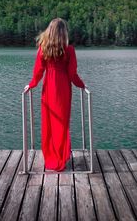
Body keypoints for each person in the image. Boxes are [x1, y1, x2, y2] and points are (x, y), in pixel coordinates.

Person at [24, 18, 85, 171]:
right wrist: (82, 85)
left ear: (49, 31)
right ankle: (61, 157)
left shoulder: (43, 48)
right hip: (63, 89)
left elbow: (38, 72)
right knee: (62, 124)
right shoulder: (69, 49)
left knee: (49, 123)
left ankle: (51, 157)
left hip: (48, 89)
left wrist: (31, 85)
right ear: (64, 33)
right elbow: (72, 74)